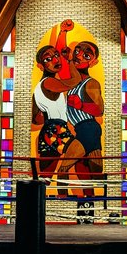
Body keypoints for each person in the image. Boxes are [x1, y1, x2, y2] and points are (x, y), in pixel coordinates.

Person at [31, 20, 78, 177]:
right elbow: (74, 81)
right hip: (55, 129)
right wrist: (70, 60)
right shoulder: (49, 82)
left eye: (56, 56)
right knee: (79, 150)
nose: (55, 60)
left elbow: (37, 119)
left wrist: (62, 33)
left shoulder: (46, 84)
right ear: (40, 66)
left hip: (52, 129)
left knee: (46, 174)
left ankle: (47, 197)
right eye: (47, 59)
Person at [57, 40, 104, 183]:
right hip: (82, 129)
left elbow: (100, 110)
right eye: (77, 51)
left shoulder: (91, 83)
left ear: (93, 62)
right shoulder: (74, 81)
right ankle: (91, 201)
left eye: (87, 56)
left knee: (63, 170)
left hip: (88, 129)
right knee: (92, 171)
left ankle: (61, 201)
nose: (80, 56)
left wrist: (81, 105)